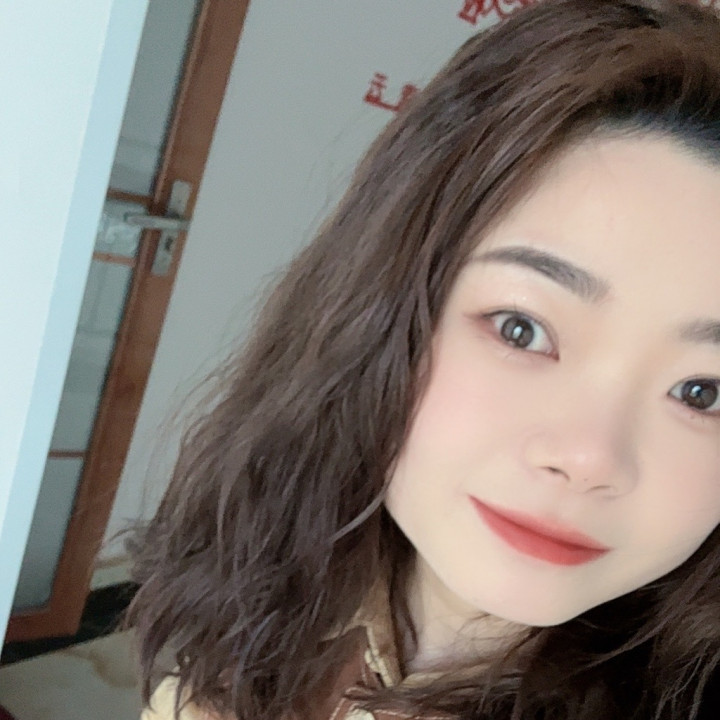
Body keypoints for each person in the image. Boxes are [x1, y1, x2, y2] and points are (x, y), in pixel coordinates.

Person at [127, 1, 720, 718]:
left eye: (702, 392)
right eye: (522, 329)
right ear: (383, 308)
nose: (588, 458)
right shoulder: (266, 564)